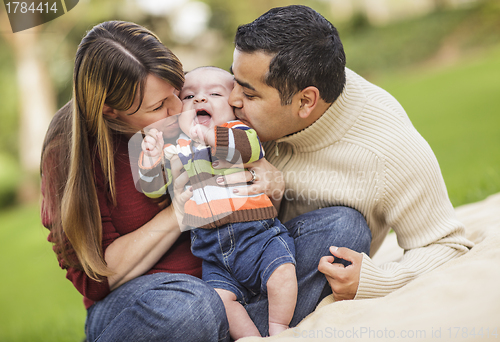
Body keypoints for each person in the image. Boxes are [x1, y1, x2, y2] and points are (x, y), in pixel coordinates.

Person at [227, 4, 474, 305]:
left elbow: (446, 244)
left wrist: (378, 280)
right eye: (233, 81)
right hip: (214, 251)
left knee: (343, 228)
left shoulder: (387, 147)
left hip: (292, 262)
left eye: (250, 94)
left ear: (305, 101)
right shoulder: (225, 104)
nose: (232, 99)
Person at [40, 21, 230, 342]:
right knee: (191, 307)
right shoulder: (69, 148)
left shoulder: (197, 106)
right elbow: (95, 277)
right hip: (148, 301)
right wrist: (180, 211)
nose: (177, 109)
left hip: (227, 278)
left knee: (333, 227)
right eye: (158, 106)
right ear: (110, 111)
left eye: (177, 92)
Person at [138, 66, 297, 339]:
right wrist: (151, 162)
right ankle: (250, 337)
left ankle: (279, 329)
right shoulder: (178, 147)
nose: (200, 100)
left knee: (282, 273)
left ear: (234, 105)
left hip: (258, 237)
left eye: (214, 93)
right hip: (211, 250)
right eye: (188, 97)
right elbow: (154, 190)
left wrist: (211, 138)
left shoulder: (239, 130)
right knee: (220, 300)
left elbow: (249, 149)